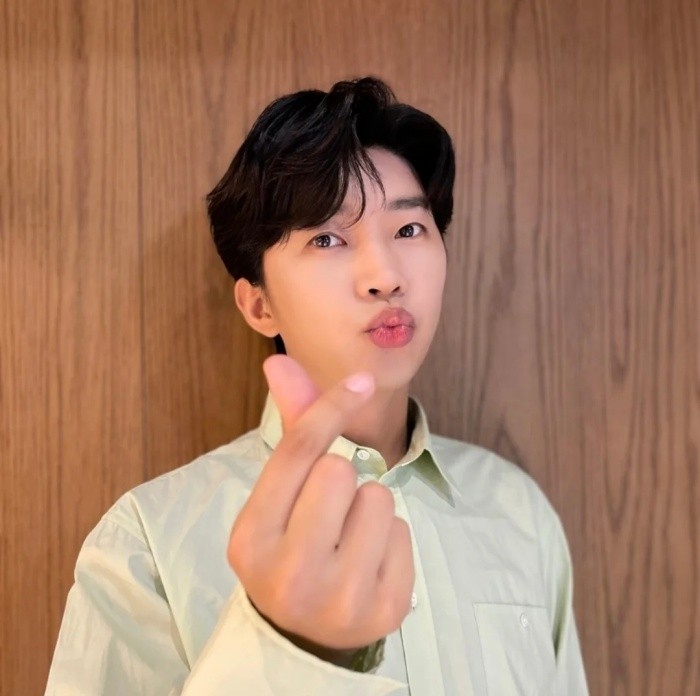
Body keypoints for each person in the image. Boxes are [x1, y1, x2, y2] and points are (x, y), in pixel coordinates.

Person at [45, 76, 589, 695]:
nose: (385, 276)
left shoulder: (517, 511)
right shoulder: (148, 542)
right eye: (327, 239)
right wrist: (286, 647)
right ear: (259, 306)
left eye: (409, 230)